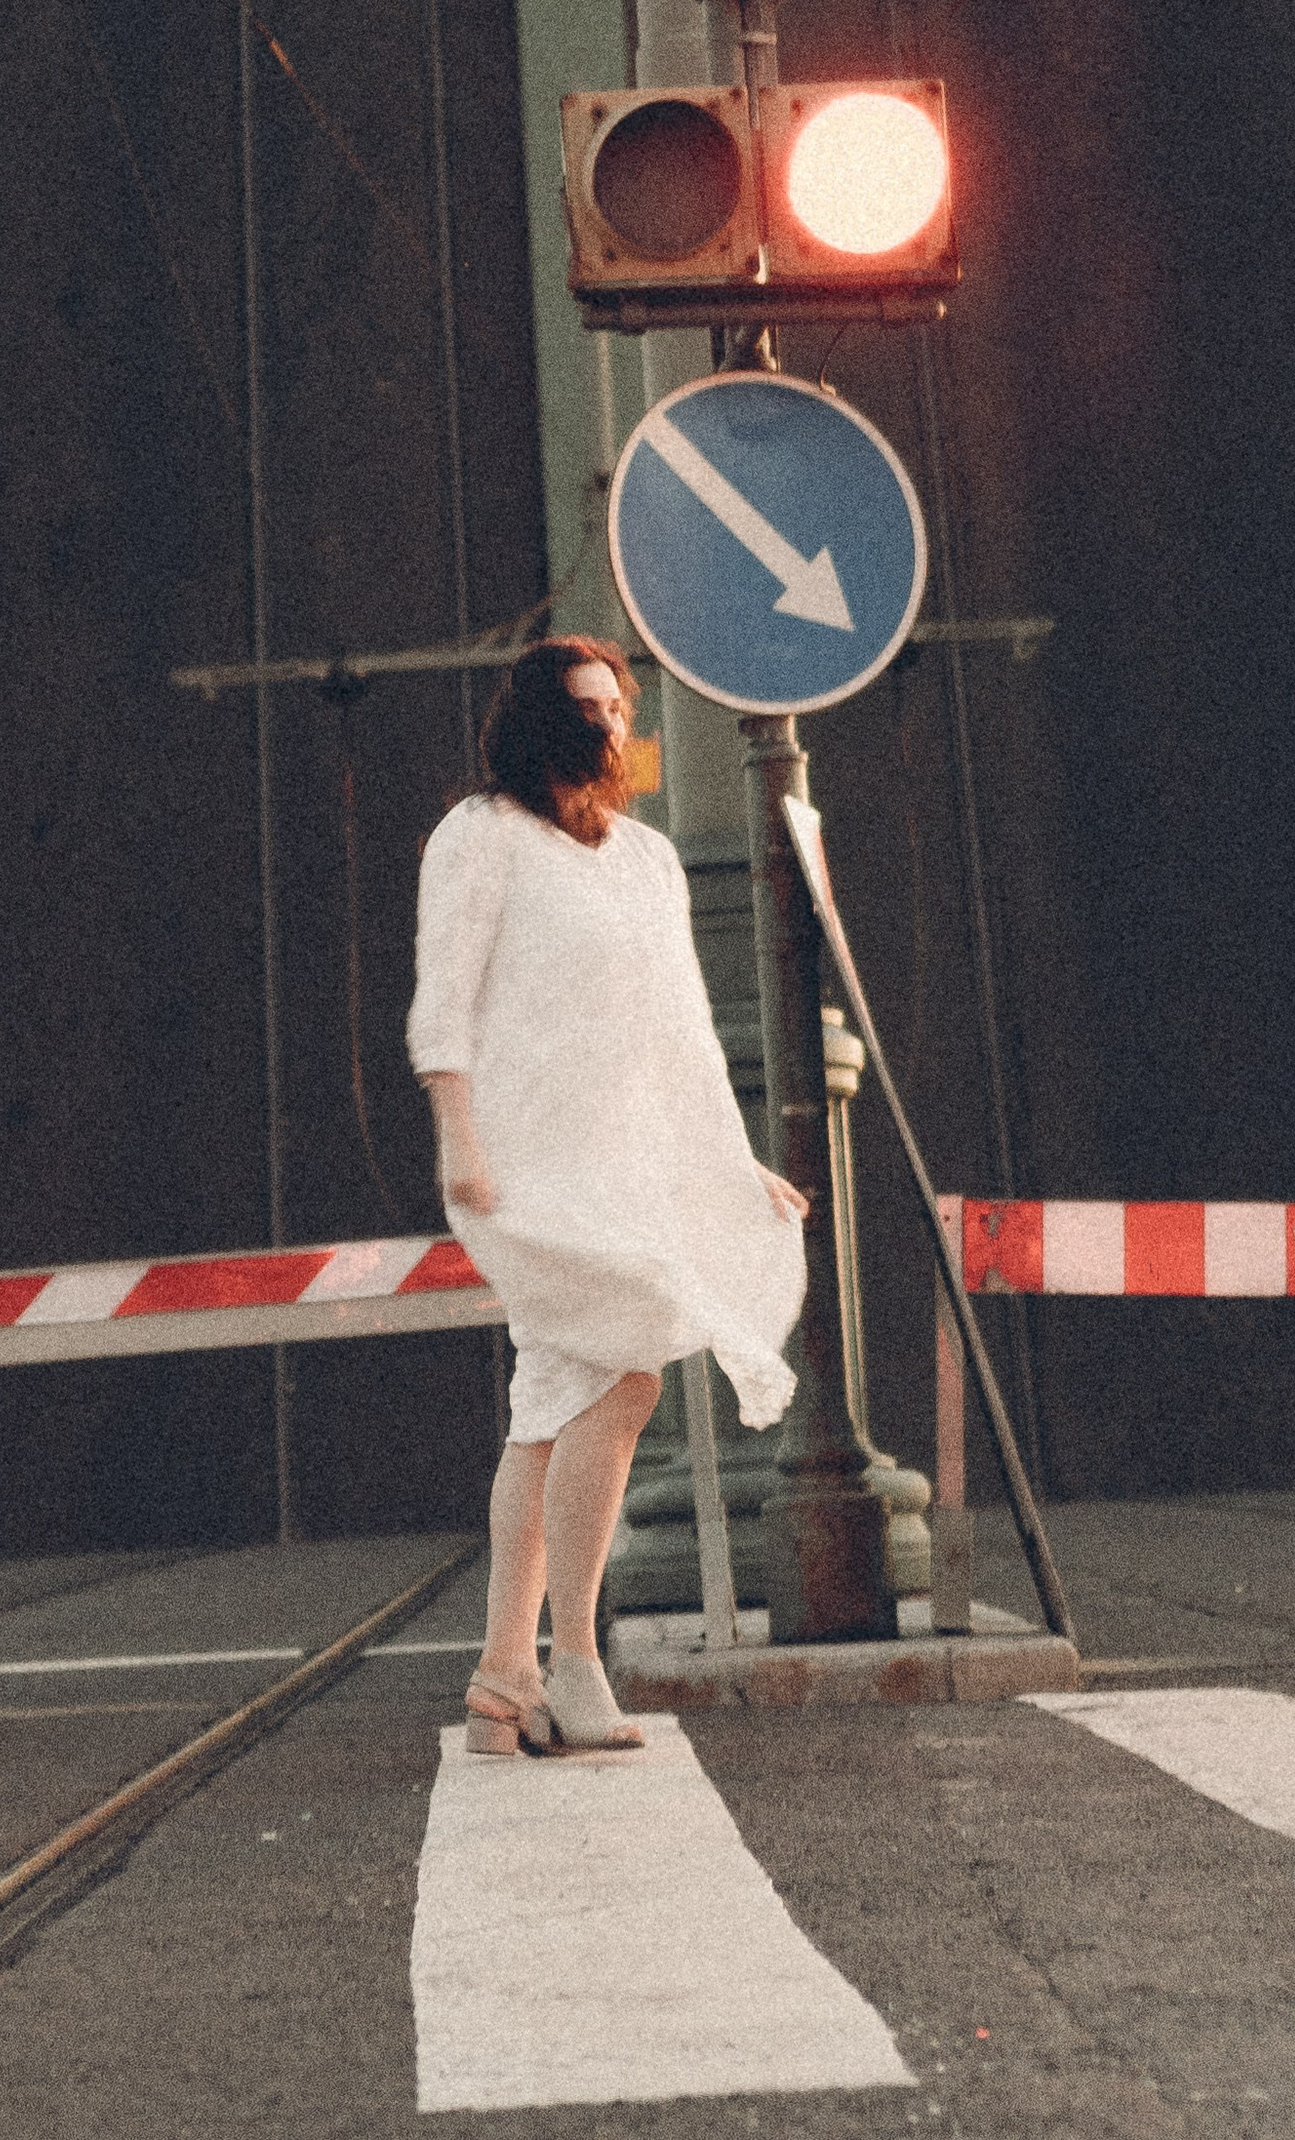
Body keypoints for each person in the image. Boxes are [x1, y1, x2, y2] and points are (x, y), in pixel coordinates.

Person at [407, 635, 808, 1755]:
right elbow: (444, 996)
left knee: (558, 1400)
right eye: (584, 708)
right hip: (525, 1162)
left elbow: (681, 1034)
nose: (605, 726)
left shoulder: (644, 860)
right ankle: (573, 1661)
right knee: (625, 1379)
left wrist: (730, 1167)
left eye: (616, 706)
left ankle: (506, 1674)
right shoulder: (481, 835)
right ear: (536, 720)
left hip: (623, 1161)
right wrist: (456, 1137)